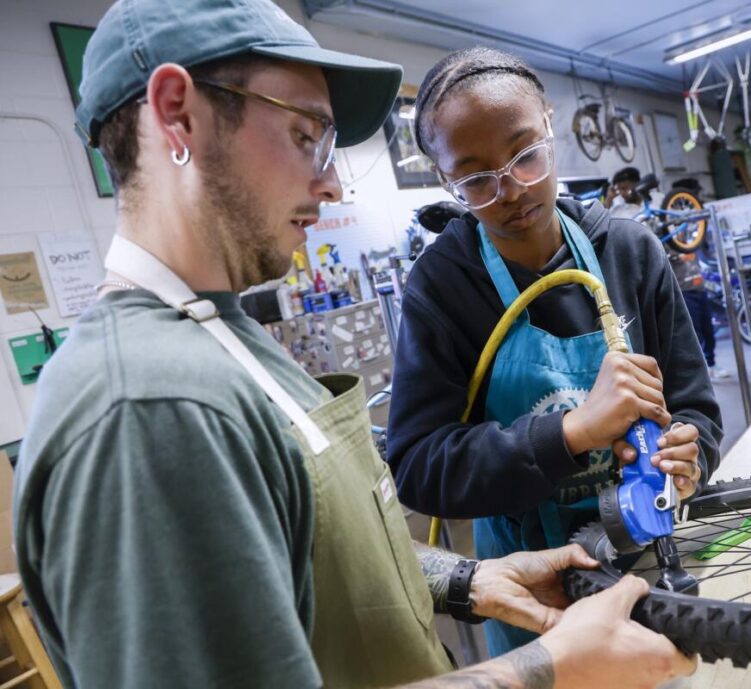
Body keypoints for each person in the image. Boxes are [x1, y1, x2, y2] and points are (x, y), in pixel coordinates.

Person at [11, 2, 696, 688]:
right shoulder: (148, 409)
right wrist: (547, 666)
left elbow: (316, 554)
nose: (333, 182)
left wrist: (464, 578)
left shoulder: (222, 336)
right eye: (306, 133)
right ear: (177, 113)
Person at [386, 47, 723, 656]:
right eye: (476, 179)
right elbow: (418, 467)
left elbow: (697, 408)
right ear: (444, 179)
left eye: (524, 155)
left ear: (548, 123)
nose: (511, 190)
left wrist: (689, 453)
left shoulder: (629, 251)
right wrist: (570, 432)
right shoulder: (442, 286)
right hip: (533, 594)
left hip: (649, 561)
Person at [670, 252, 731, 380]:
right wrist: (677, 257)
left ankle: (711, 364)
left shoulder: (690, 239)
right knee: (694, 333)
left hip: (700, 290)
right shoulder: (668, 242)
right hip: (684, 292)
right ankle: (699, 370)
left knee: (708, 330)